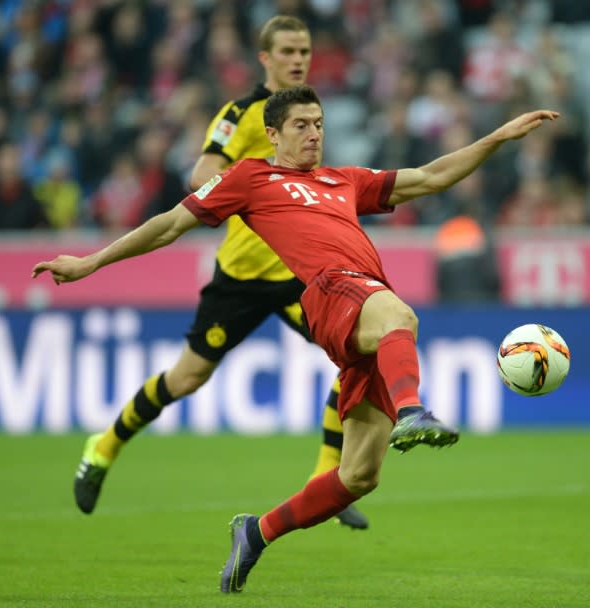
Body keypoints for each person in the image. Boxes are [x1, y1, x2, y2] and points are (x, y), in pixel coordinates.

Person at [32, 85, 558, 593]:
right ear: (272, 133)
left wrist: (498, 137)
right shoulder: (250, 178)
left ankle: (256, 532)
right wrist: (92, 261)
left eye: (320, 125)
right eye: (302, 125)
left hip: (361, 310)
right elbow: (170, 225)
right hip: (332, 293)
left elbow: (430, 176)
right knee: (401, 316)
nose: (314, 134)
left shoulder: (344, 180)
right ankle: (412, 412)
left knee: (357, 477)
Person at [70, 15, 367, 529]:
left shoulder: (308, 116)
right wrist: (252, 185)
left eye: (305, 50)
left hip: (300, 275)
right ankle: (105, 444)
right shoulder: (240, 113)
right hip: (241, 275)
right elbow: (201, 174)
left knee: (356, 351)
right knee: (187, 377)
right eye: (289, 51)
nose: (299, 59)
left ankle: (327, 478)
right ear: (265, 58)